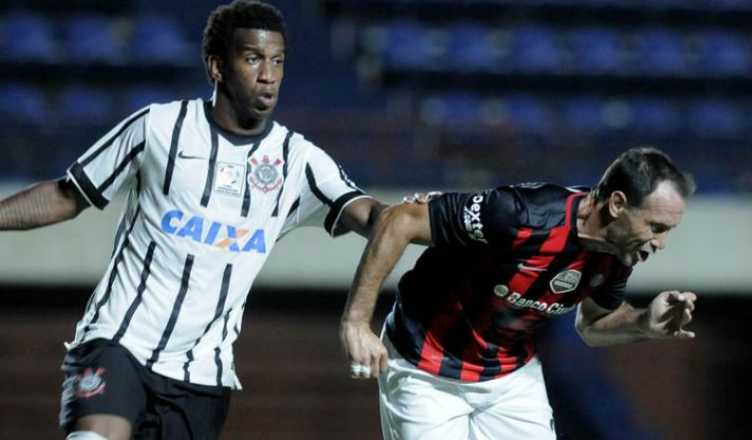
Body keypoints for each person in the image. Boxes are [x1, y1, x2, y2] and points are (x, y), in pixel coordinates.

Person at [0, 1, 384, 439]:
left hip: (202, 375)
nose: (268, 75)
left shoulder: (299, 161)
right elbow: (68, 195)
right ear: (217, 66)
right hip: (119, 340)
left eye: (277, 61)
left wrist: (422, 219)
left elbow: (374, 216)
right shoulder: (158, 127)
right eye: (253, 59)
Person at [340, 147, 700, 439]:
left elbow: (591, 326)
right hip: (425, 366)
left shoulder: (617, 255)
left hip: (509, 377)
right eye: (656, 227)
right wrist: (356, 321)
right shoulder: (523, 214)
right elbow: (399, 220)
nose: (661, 243)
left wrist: (643, 323)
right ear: (617, 204)